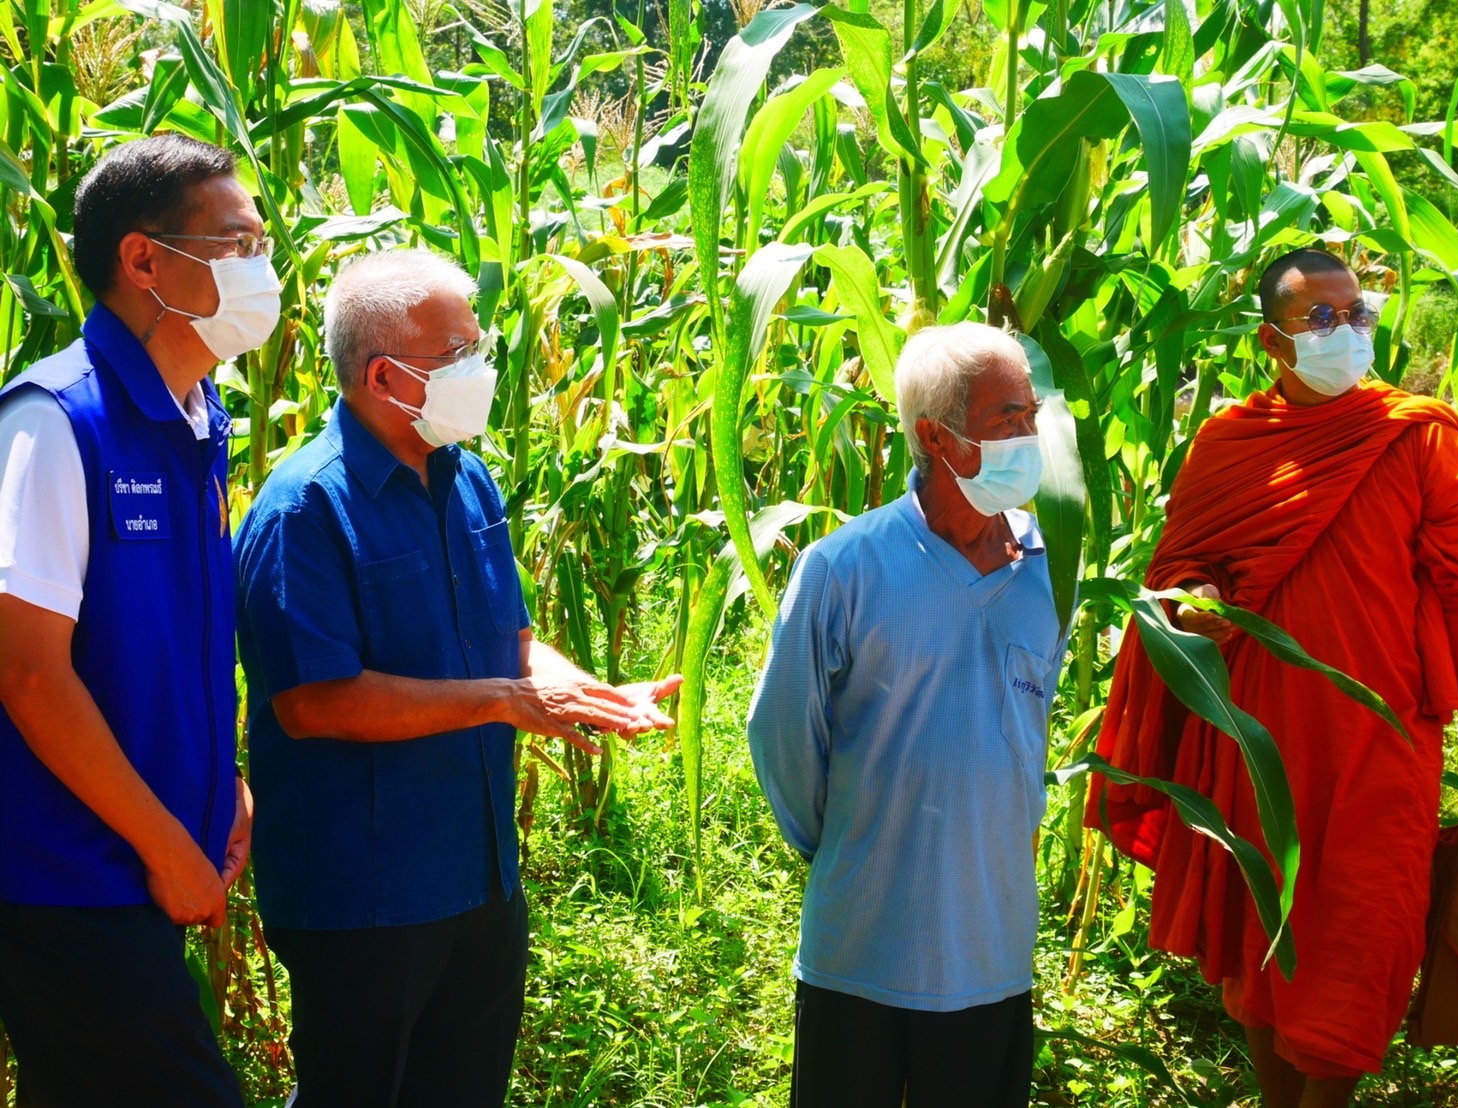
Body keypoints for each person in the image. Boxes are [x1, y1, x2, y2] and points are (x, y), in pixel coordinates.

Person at [233, 248, 681, 1107]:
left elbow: (506, 639)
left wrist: (582, 690)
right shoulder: (305, 509)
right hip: (363, 893)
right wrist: (512, 703)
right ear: (383, 376)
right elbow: (316, 703)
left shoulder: (466, 477)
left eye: (480, 345)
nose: (482, 368)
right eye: (458, 354)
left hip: (478, 877)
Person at [1089, 247, 1458, 1107]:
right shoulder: (1232, 442)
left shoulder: (1420, 434)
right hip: (1257, 738)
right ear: (1273, 340)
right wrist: (1193, 599)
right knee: (1263, 928)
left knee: (1362, 933)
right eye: (1322, 319)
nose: (1347, 333)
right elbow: (1184, 565)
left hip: (1381, 739)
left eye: (1359, 315)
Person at [0, 134, 279, 1106]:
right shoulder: (55, 424)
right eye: (238, 242)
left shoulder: (197, 421)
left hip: (136, 865)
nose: (262, 267)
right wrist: (166, 844)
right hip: (66, 875)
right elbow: (29, 675)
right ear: (145, 259)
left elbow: (175, 646)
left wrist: (223, 782)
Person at [747, 323, 1067, 1108]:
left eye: (1033, 414)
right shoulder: (844, 568)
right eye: (1007, 420)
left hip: (992, 952)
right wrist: (864, 842)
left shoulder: (1053, 574)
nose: (1031, 436)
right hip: (863, 949)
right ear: (936, 434)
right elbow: (784, 737)